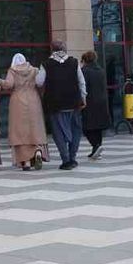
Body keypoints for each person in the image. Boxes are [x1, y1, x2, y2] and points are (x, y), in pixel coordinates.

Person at [37, 40, 86, 170]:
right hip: (73, 102)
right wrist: (83, 97)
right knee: (75, 131)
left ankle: (65, 159)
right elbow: (81, 82)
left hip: (55, 103)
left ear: (52, 49)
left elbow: (39, 82)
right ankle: (72, 157)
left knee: (58, 132)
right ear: (64, 49)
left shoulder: (46, 64)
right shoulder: (74, 62)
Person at [0, 53, 48, 170]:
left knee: (20, 132)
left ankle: (26, 162)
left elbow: (8, 84)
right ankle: (38, 150)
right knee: (34, 129)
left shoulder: (13, 70)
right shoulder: (34, 70)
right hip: (34, 100)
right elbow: (40, 83)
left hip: (18, 101)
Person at [80, 51, 110, 160]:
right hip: (101, 101)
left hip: (89, 101)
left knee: (86, 127)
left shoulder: (84, 71)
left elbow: (82, 86)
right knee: (98, 127)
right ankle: (96, 149)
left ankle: (95, 146)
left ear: (85, 60)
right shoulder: (101, 70)